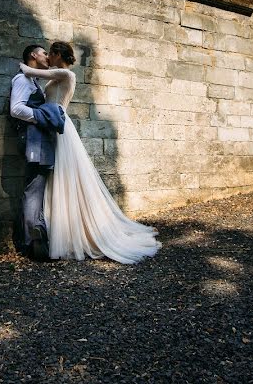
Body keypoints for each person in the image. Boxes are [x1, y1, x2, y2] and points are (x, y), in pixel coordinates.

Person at [19, 41, 160, 264]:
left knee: (67, 178)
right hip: (50, 128)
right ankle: (59, 231)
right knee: (56, 180)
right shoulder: (57, 76)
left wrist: (28, 63)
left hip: (60, 130)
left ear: (56, 54)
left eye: (49, 54)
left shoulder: (66, 75)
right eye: (44, 54)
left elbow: (28, 70)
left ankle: (77, 233)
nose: (47, 58)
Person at [9, 44, 59, 260]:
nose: (47, 56)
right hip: (33, 140)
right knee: (34, 188)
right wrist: (43, 115)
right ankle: (33, 242)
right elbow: (16, 109)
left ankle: (32, 237)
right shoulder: (22, 80)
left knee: (35, 187)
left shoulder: (33, 81)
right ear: (32, 55)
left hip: (38, 140)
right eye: (44, 53)